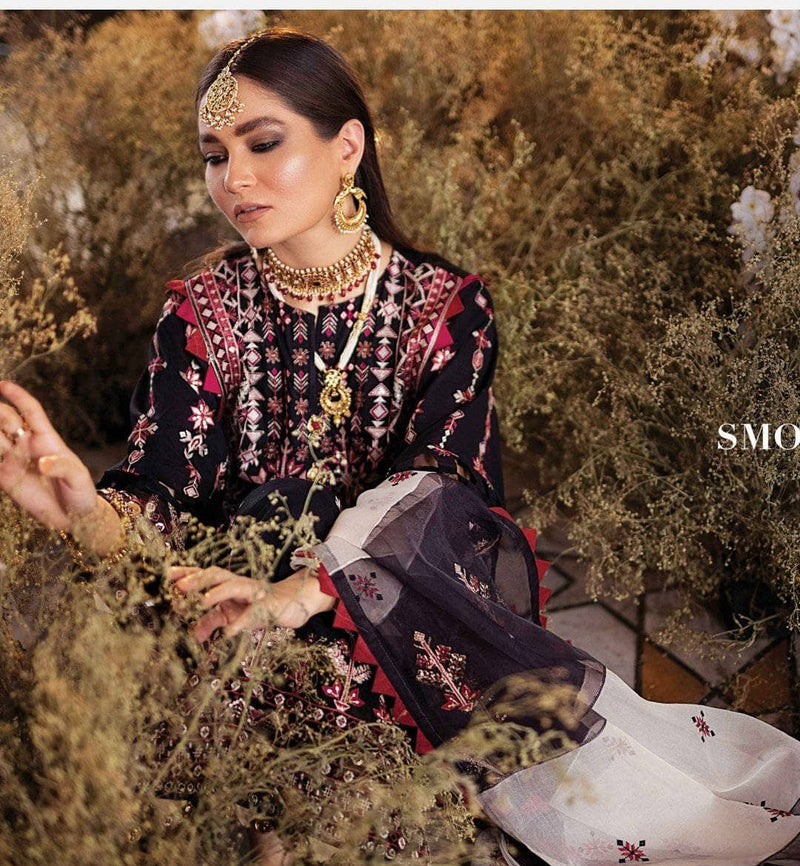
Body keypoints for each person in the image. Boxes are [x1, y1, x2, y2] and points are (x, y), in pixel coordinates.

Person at [1, 26, 800, 866]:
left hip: (385, 618)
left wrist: (306, 591)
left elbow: (443, 491)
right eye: (213, 155)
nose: (232, 179)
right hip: (232, 602)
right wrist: (82, 511)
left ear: (347, 147)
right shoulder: (200, 309)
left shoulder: (445, 309)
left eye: (263, 144)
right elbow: (164, 492)